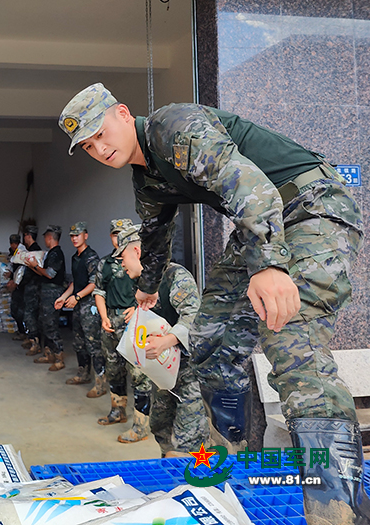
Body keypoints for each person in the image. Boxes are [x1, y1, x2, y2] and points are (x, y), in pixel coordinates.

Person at [60, 84, 365, 523]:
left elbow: (247, 182)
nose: (99, 148)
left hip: (310, 206)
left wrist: (269, 265)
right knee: (209, 336)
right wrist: (147, 287)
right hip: (262, 225)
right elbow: (154, 235)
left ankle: (336, 509)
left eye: (100, 133)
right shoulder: (147, 181)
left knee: (291, 342)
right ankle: (235, 460)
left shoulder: (173, 125)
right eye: (88, 146)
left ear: (123, 114)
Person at [115, 224, 209, 457]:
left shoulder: (175, 275)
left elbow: (193, 316)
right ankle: (172, 475)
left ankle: (194, 485)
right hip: (164, 374)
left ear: (137, 251)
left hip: (189, 374)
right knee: (160, 426)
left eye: (122, 256)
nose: (121, 263)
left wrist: (167, 341)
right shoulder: (143, 285)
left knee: (189, 440)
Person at [93, 218, 155, 443]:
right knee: (113, 369)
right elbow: (99, 291)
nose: (117, 237)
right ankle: (117, 411)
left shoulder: (144, 262)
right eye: (114, 233)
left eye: (122, 233)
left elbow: (153, 292)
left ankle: (141, 425)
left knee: (139, 373)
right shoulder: (105, 264)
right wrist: (103, 317)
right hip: (111, 320)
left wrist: (137, 309)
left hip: (135, 322)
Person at [54, 222, 105, 396]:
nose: (75, 238)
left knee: (93, 344)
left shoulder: (91, 257)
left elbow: (94, 283)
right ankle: (83, 373)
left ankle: (100, 383)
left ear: (86, 235)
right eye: (72, 235)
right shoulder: (75, 257)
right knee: (79, 342)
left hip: (89, 305)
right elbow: (75, 282)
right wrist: (63, 297)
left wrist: (77, 297)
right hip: (77, 305)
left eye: (78, 235)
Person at [25, 225, 66, 370]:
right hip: (46, 293)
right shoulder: (51, 253)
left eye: (45, 237)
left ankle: (59, 357)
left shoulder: (56, 254)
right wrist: (32, 266)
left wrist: (35, 266)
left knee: (51, 325)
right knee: (44, 323)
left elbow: (49, 274)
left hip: (52, 293)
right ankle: (49, 354)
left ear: (49, 237)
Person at [21, 225, 43, 355]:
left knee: (31, 315)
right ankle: (32, 338)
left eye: (25, 236)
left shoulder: (34, 251)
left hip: (33, 288)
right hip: (30, 287)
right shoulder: (31, 250)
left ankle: (36, 342)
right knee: (29, 314)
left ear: (29, 236)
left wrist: (19, 283)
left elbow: (30, 272)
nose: (24, 238)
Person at [5, 233, 27, 339]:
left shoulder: (22, 253)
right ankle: (21, 331)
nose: (13, 246)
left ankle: (24, 333)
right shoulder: (14, 253)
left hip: (21, 287)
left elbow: (22, 271)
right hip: (17, 286)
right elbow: (15, 269)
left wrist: (15, 282)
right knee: (14, 310)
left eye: (15, 243)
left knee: (20, 311)